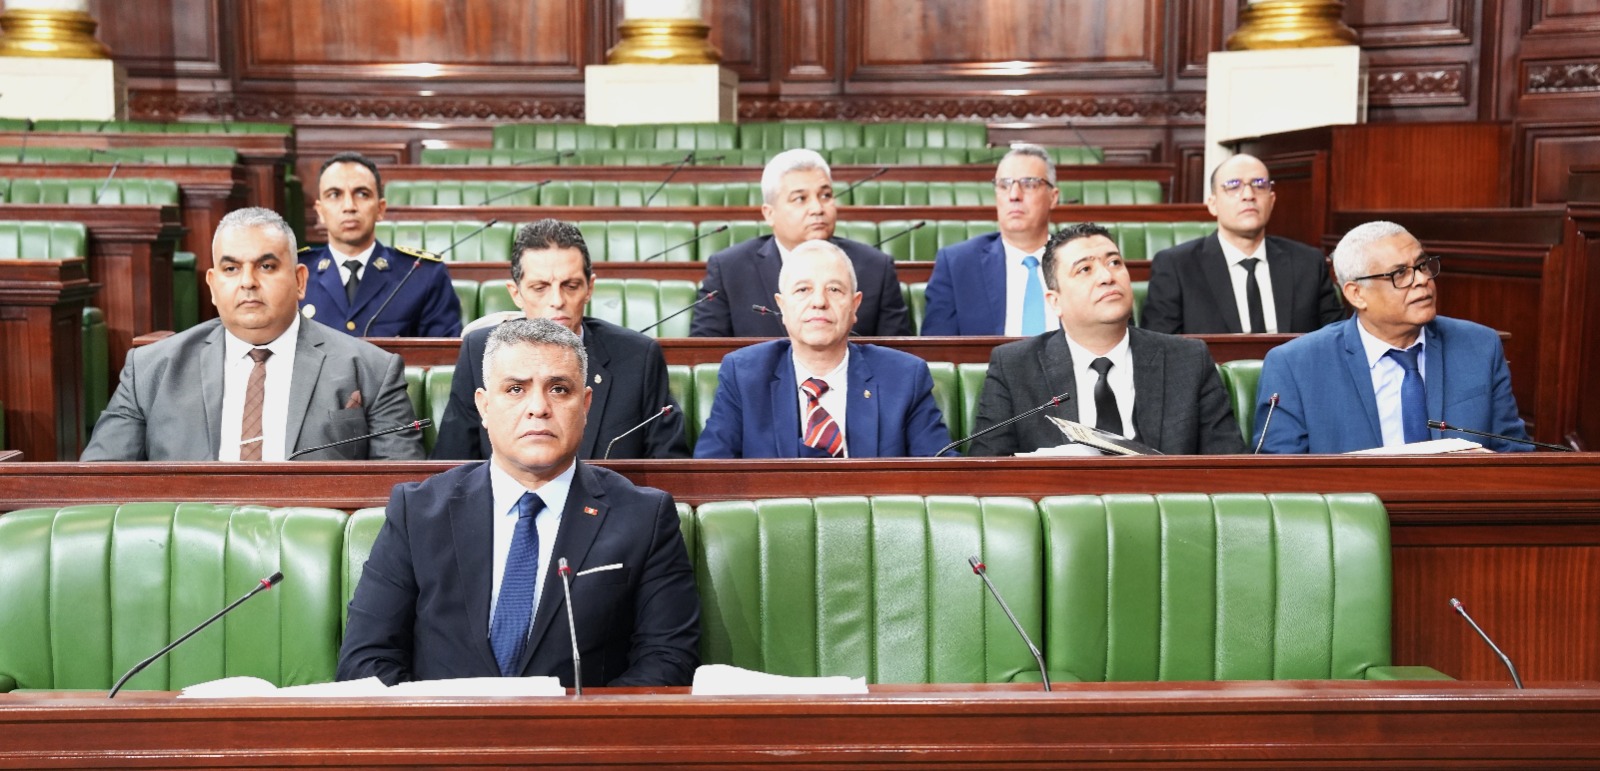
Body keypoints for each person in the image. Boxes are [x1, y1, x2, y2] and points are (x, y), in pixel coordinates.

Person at [339, 318, 700, 686]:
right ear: (483, 406)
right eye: (515, 389)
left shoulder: (644, 517)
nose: (538, 408)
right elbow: (366, 660)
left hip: (584, 723)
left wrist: (578, 720)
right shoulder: (417, 512)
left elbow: (668, 660)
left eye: (559, 389)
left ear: (585, 404)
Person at [82, 207, 424, 461]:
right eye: (231, 268)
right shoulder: (150, 370)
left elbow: (397, 492)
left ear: (300, 281)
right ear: (213, 286)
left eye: (266, 266)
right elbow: (100, 484)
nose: (248, 282)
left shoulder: (372, 371)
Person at [1254, 221, 1532, 453]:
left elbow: (1515, 454)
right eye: (1400, 273)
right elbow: (1281, 479)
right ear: (1356, 294)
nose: (1422, 280)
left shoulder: (1479, 347)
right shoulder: (1295, 366)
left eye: (1422, 265)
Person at [969, 223, 1246, 456]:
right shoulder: (1015, 367)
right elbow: (986, 473)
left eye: (1114, 262)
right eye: (1085, 269)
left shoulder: (1187, 360)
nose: (1106, 276)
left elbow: (1229, 467)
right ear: (1055, 301)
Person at [432, 219, 688, 461]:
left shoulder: (638, 358)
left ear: (589, 288)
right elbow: (452, 464)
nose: (557, 300)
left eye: (571, 286)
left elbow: (669, 468)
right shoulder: (480, 351)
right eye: (540, 288)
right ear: (516, 293)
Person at [694, 240, 951, 459]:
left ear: (855, 306)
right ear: (782, 306)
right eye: (803, 290)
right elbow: (711, 474)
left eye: (834, 289)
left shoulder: (904, 377)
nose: (819, 302)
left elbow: (940, 475)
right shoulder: (743, 375)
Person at [689, 148, 912, 338]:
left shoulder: (876, 268)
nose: (817, 208)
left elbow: (898, 357)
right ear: (769, 213)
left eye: (825, 195)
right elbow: (706, 354)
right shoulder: (729, 270)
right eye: (800, 199)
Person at [1141, 153, 1342, 334]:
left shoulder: (1308, 263)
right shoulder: (1176, 266)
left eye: (1259, 184)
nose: (1248, 195)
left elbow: (1337, 339)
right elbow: (1160, 348)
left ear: (1271, 201)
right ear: (1213, 204)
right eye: (1233, 186)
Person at [298, 152, 462, 337]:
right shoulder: (295, 274)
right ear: (320, 211)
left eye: (362, 194)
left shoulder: (422, 274)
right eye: (334, 195)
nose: (349, 206)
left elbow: (443, 352)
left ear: (380, 209)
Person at [921, 143, 1061, 336]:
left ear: (1053, 197)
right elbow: (938, 347)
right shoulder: (957, 264)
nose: (1014, 195)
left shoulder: (1080, 261)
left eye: (1029, 184)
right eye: (1004, 185)